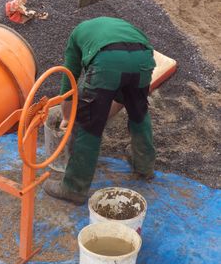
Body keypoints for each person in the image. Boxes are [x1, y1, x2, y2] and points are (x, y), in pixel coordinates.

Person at [43, 17, 156, 205]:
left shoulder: (76, 36)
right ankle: (144, 166)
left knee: (88, 124)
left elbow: (69, 79)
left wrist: (68, 117)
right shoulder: (119, 27)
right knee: (139, 112)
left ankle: (73, 188)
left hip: (108, 60)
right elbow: (121, 95)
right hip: (144, 57)